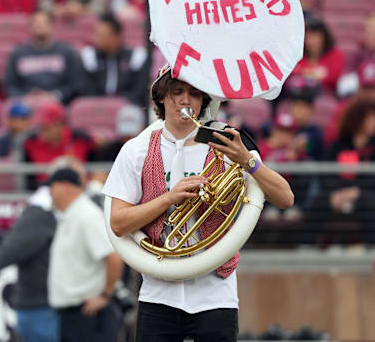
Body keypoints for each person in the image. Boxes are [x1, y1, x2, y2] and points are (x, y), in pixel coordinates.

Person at [103, 66, 294, 342]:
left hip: (216, 293)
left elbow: (286, 198)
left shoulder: (228, 143)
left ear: (205, 100)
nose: (185, 100)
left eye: (194, 93)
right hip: (158, 293)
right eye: (176, 92)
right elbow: (118, 223)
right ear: (160, 97)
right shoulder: (136, 150)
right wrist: (169, 198)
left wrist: (247, 161)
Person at [47, 167, 123, 342]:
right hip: (74, 315)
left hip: (87, 315)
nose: (49, 193)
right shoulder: (72, 215)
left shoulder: (86, 215)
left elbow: (113, 257)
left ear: (65, 185)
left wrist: (105, 295)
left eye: (52, 186)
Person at [0, 180, 58, 342]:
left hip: (51, 305)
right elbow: (5, 254)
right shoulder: (39, 215)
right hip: (39, 307)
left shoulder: (53, 213)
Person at [316, 97, 375, 245]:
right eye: (370, 118)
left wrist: (356, 191)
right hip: (337, 193)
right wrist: (338, 193)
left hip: (365, 194)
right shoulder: (339, 145)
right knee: (319, 201)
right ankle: (309, 247)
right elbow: (325, 173)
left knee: (369, 203)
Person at [4, 11, 82, 103]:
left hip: (58, 103)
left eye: (44, 23)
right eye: (36, 24)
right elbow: (10, 85)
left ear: (52, 26)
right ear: (30, 27)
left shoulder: (67, 52)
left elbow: (74, 85)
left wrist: (55, 96)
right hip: (25, 104)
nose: (40, 27)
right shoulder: (17, 53)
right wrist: (24, 97)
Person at [21, 101, 95, 188]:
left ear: (59, 124)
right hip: (44, 193)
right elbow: (28, 180)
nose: (41, 132)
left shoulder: (81, 139)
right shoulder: (30, 143)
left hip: (78, 192)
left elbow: (96, 169)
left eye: (46, 127)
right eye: (40, 127)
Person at [79, 14, 148, 106]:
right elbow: (85, 90)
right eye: (97, 34)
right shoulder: (89, 57)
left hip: (127, 107)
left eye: (103, 35)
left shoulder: (135, 57)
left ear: (117, 36)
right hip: (97, 109)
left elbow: (138, 91)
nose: (98, 39)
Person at [290, 17, 345, 94]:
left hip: (326, 95)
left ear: (324, 37)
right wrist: (313, 74)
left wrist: (306, 73)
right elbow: (291, 72)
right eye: (308, 36)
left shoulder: (335, 54)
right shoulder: (298, 54)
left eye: (315, 36)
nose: (311, 41)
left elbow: (334, 77)